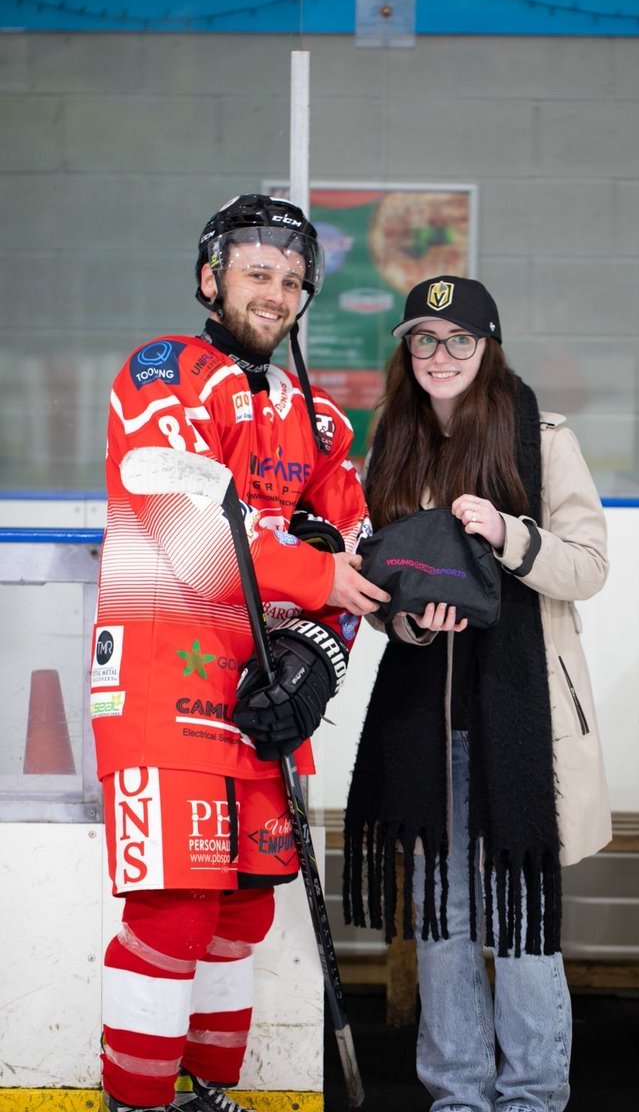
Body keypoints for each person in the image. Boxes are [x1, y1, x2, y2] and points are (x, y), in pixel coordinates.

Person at [90, 194, 388, 1112]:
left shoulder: (325, 425)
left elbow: (357, 559)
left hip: (261, 689)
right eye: (259, 272)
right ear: (211, 277)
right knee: (172, 910)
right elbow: (186, 534)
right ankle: (133, 1103)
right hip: (157, 674)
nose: (278, 292)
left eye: (294, 280)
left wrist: (317, 662)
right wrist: (318, 578)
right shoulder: (159, 374)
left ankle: (204, 1093)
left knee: (243, 908)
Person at [343, 275, 611, 1112]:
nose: (442, 355)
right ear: (407, 351)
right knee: (443, 918)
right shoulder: (391, 439)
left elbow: (589, 566)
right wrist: (415, 622)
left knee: (523, 916)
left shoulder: (544, 437)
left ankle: (532, 1096)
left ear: (488, 345)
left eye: (459, 339)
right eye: (424, 340)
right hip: (426, 722)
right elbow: (378, 581)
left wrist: (508, 535)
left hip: (520, 721)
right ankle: (457, 1093)